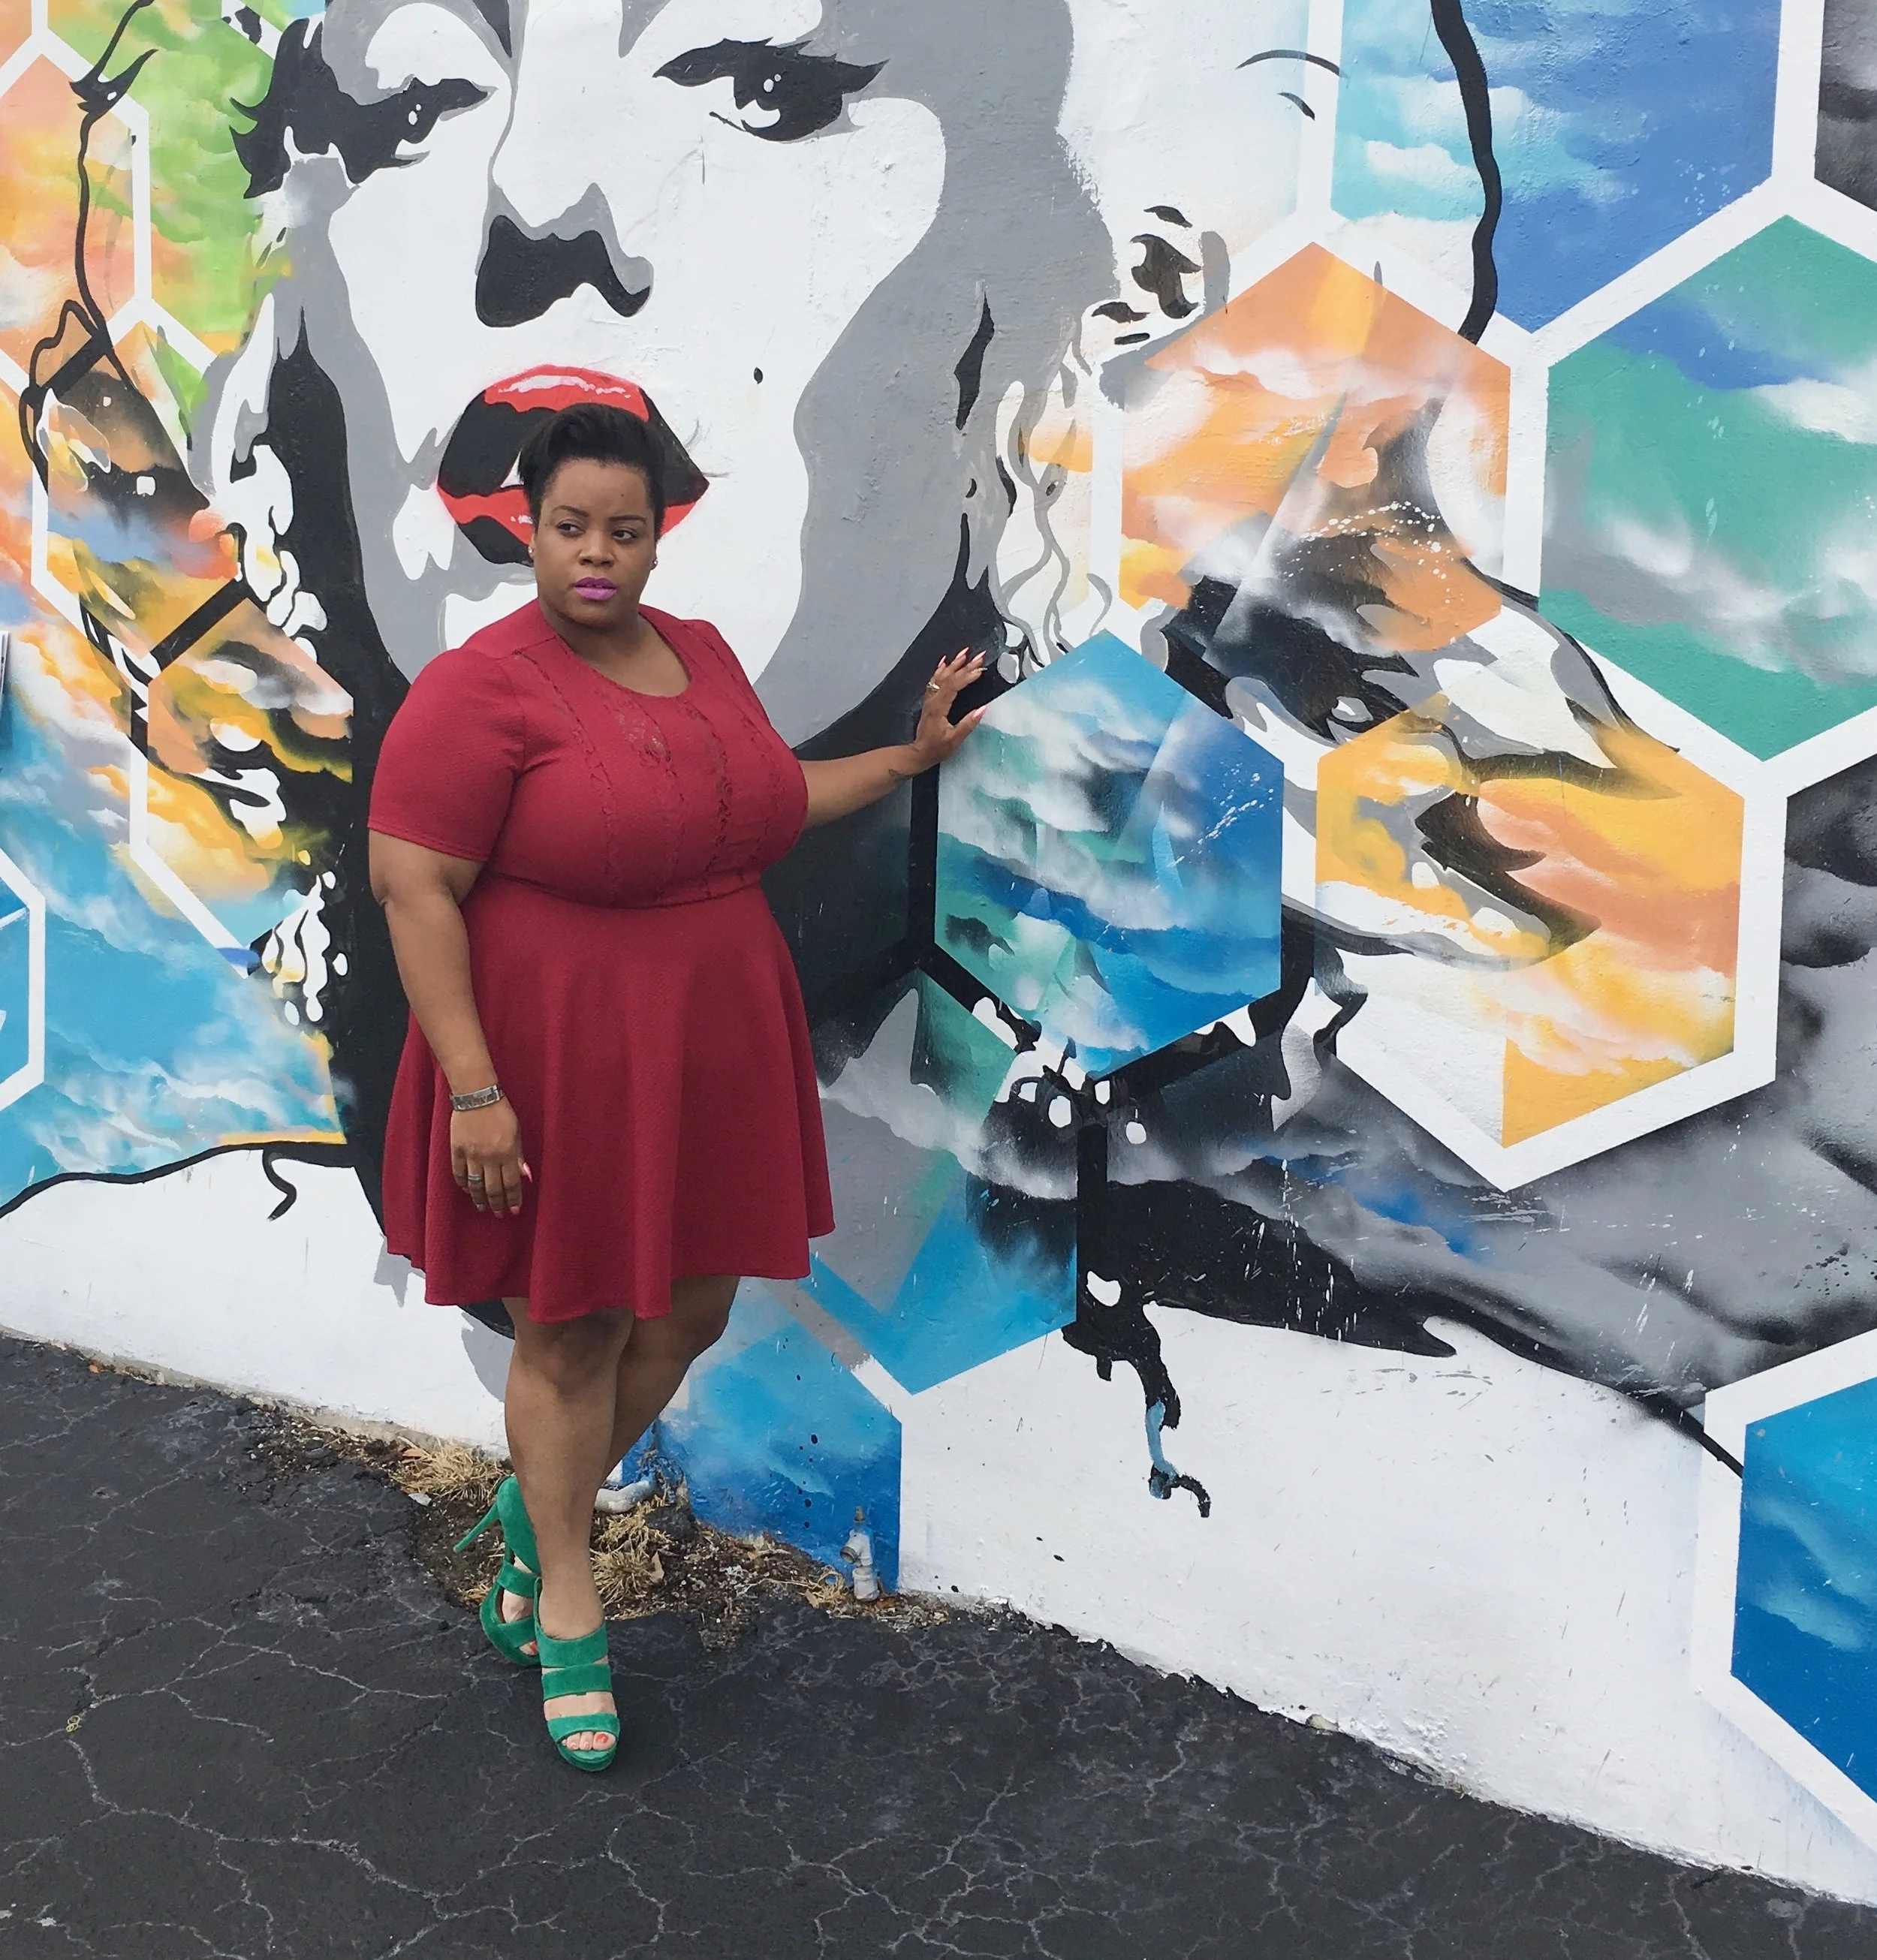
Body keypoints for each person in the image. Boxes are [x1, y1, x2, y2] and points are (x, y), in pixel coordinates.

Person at [366, 402, 985, 1769]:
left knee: (693, 1308)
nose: (597, 553)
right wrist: (475, 1089)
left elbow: (758, 800)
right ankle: (564, 1596)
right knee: (573, 1326)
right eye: (569, 527)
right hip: (555, 1058)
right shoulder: (480, 687)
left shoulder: (700, 655)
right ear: (528, 529)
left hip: (704, 1051)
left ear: (658, 539)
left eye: (625, 530)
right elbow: (413, 888)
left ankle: (532, 1509)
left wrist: (907, 759)